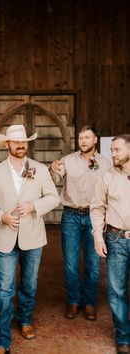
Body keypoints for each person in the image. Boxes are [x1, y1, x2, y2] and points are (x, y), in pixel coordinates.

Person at [0, 124, 60, 354]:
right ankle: (2, 337)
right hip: (5, 236)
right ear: (7, 145)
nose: (21, 146)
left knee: (29, 283)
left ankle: (24, 319)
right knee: (4, 289)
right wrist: (1, 216)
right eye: (16, 142)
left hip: (33, 237)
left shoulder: (39, 169)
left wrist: (34, 205)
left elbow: (53, 198)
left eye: (24, 142)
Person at [49, 125, 111, 321]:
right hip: (71, 217)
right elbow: (53, 179)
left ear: (95, 140)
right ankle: (74, 301)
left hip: (95, 218)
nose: (83, 141)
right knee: (71, 262)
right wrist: (52, 170)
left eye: (87, 137)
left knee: (93, 263)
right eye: (80, 138)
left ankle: (90, 302)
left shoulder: (106, 164)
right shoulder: (68, 160)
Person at [90, 134, 130, 354]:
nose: (113, 154)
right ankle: (123, 337)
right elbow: (97, 208)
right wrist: (98, 236)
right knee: (117, 291)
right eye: (112, 150)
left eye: (117, 150)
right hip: (116, 239)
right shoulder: (106, 177)